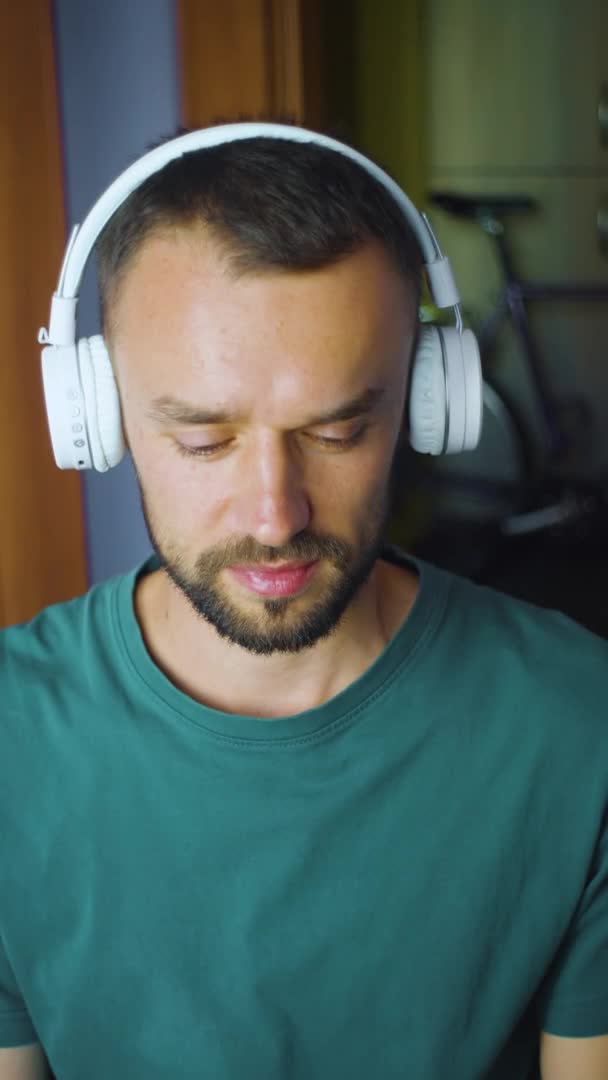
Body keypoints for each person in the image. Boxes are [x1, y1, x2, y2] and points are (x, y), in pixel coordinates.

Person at [0, 123, 607, 1080]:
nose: (276, 517)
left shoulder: (582, 723)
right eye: (204, 442)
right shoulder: (11, 741)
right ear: (96, 419)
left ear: (425, 403)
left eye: (336, 431)